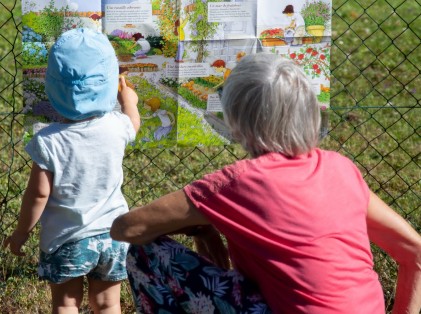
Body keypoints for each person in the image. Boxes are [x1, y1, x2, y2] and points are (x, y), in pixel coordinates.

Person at [110, 53, 421, 313]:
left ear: (237, 117)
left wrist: (200, 226)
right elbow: (414, 252)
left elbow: (127, 228)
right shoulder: (341, 168)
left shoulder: (238, 182)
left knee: (145, 251)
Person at [4, 28, 140, 313]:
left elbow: (38, 195)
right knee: (107, 304)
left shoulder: (47, 141)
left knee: (66, 304)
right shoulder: (116, 126)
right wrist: (129, 100)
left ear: (53, 87)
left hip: (66, 238)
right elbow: (133, 123)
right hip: (112, 235)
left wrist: (20, 233)